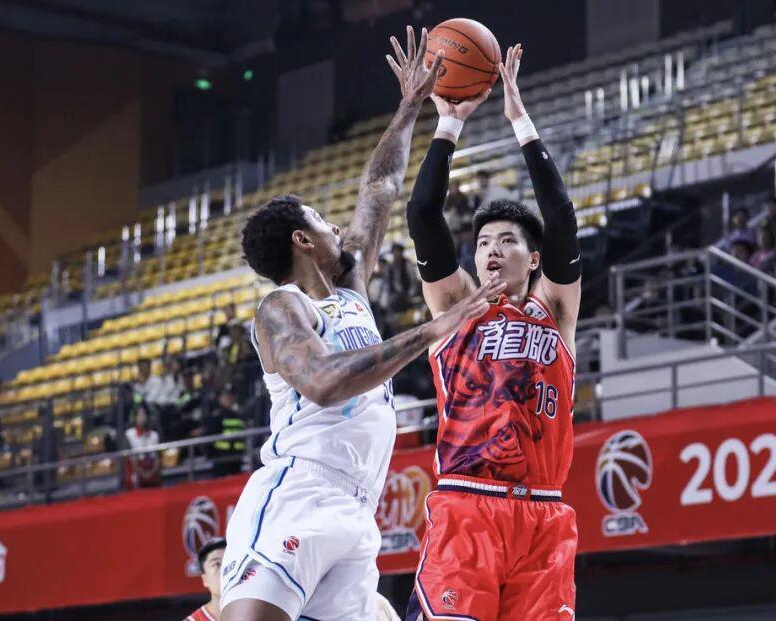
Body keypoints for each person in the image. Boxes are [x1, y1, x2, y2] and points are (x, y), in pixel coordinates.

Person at [220, 29, 502, 621]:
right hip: (301, 491)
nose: (336, 227)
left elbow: (379, 190)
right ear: (303, 241)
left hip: (357, 505)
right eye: (322, 221)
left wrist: (414, 108)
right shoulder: (282, 309)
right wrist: (432, 330)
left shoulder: (349, 288)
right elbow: (323, 382)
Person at [402, 43, 580, 621]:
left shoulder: (555, 309)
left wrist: (519, 120)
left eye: (507, 241)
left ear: (534, 259)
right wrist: (449, 122)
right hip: (467, 505)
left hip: (543, 514)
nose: (492, 250)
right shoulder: (455, 304)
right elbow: (423, 215)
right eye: (482, 243)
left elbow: (562, 217)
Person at [186, 538, 227, 621]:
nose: (225, 569)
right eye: (217, 564)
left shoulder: (253, 613)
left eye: (228, 562)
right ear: (204, 579)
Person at [124, 405, 161, 489]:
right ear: (134, 418)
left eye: (143, 415)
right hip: (136, 472)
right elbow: (130, 458)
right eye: (139, 415)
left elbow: (157, 457)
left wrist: (152, 472)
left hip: (152, 471)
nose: (142, 418)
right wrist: (142, 473)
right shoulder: (129, 434)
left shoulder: (154, 435)